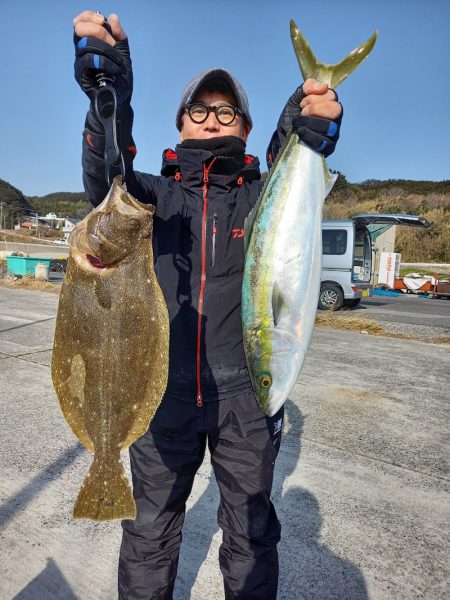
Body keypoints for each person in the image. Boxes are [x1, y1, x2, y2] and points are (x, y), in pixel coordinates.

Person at [73, 10, 343, 600]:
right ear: (180, 124)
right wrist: (107, 95)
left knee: (250, 537)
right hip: (158, 393)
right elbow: (106, 178)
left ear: (245, 128)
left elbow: (287, 179)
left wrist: (304, 124)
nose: (212, 119)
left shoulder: (259, 197)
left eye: (226, 111)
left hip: (244, 398)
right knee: (148, 535)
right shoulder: (152, 195)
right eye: (200, 110)